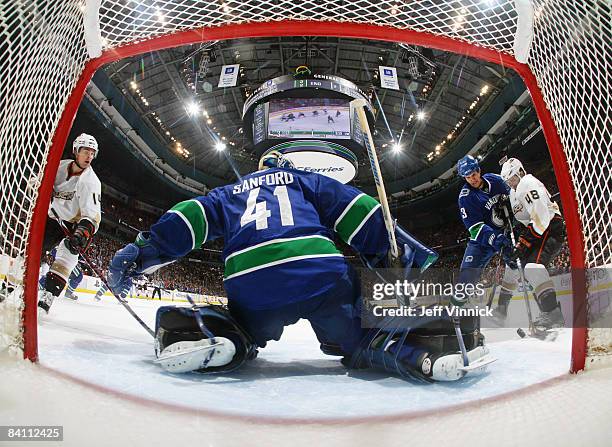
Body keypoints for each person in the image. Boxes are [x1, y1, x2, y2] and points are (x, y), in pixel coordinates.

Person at [108, 152, 489, 381]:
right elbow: (358, 211)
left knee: (245, 325)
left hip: (251, 283)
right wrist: (404, 256)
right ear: (286, 166)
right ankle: (417, 349)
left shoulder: (228, 193)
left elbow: (187, 218)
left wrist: (141, 253)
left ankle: (215, 333)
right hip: (318, 273)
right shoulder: (303, 179)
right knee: (364, 333)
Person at [494, 158, 566, 328]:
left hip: (549, 227)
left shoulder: (528, 183)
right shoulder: (515, 191)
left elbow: (541, 218)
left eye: (512, 178)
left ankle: (552, 313)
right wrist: (506, 206)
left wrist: (524, 242)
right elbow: (523, 216)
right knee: (522, 268)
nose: (510, 183)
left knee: (533, 267)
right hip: (538, 230)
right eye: (508, 181)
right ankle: (546, 312)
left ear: (520, 172)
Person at [37, 133, 101, 313]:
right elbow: (40, 182)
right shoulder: (59, 167)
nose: (89, 156)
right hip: (54, 217)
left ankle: (48, 296)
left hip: (78, 223)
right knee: (31, 248)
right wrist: (39, 186)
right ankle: (9, 284)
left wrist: (82, 233)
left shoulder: (91, 182)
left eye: (92, 152)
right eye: (86, 151)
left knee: (68, 254)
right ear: (76, 151)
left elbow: (92, 215)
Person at [454, 155, 513, 306]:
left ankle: (502, 306)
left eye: (473, 174)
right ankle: (454, 314)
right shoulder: (465, 197)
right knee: (466, 278)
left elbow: (514, 194)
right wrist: (494, 238)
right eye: (467, 177)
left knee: (517, 265)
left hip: (505, 233)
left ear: (479, 171)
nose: (472, 179)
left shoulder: (496, 180)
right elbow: (475, 228)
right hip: (482, 242)